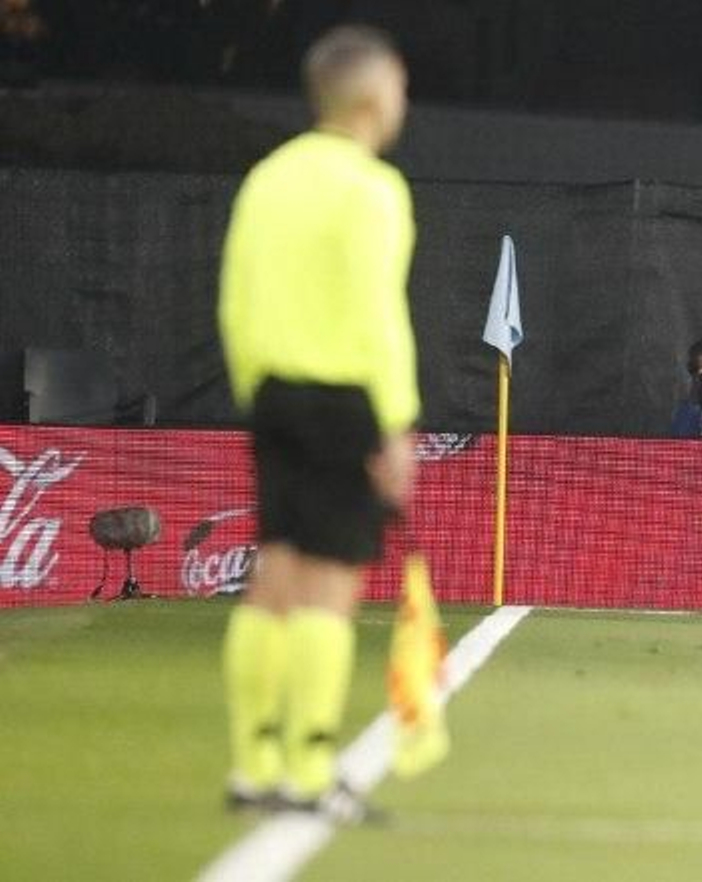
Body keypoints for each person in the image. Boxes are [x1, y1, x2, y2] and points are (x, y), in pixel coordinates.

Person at [217, 24, 418, 822]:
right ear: (371, 98)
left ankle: (252, 766)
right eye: (399, 87)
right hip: (343, 399)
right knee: (330, 587)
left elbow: (235, 298)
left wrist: (255, 390)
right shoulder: (372, 188)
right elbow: (378, 312)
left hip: (271, 392)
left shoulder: (268, 178)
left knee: (274, 575)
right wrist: (395, 423)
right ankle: (309, 772)